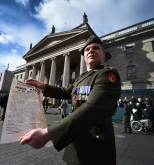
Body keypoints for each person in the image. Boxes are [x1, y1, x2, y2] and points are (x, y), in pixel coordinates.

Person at [20, 35, 121, 165]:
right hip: (75, 142)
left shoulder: (107, 75)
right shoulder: (80, 79)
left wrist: (48, 133)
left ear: (103, 53)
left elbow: (92, 108)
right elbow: (66, 91)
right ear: (84, 57)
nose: (91, 51)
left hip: (95, 147)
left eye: (95, 48)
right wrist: (42, 86)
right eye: (87, 49)